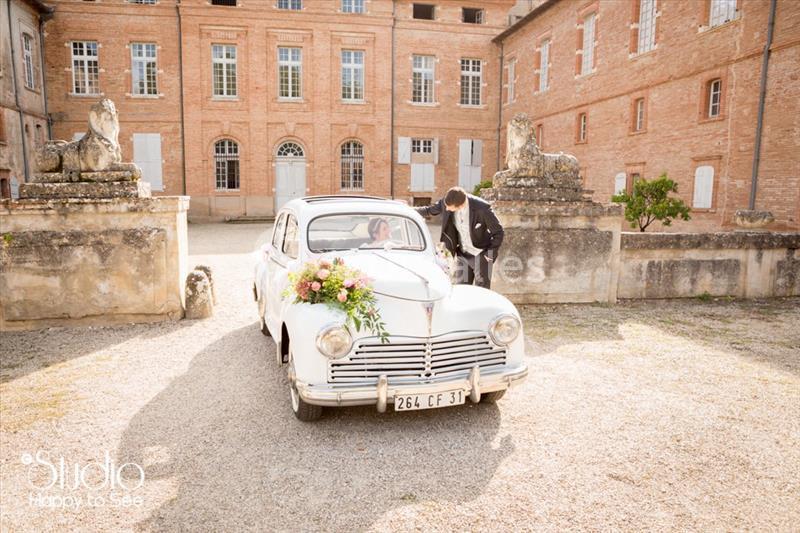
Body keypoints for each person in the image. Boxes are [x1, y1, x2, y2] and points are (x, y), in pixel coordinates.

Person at [415, 186, 504, 289]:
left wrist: (489, 254)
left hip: (481, 255)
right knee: (461, 289)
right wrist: (408, 209)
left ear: (461, 205)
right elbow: (429, 210)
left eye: (450, 207)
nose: (446, 209)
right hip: (462, 254)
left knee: (482, 291)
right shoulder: (447, 202)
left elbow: (499, 232)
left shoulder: (482, 208)